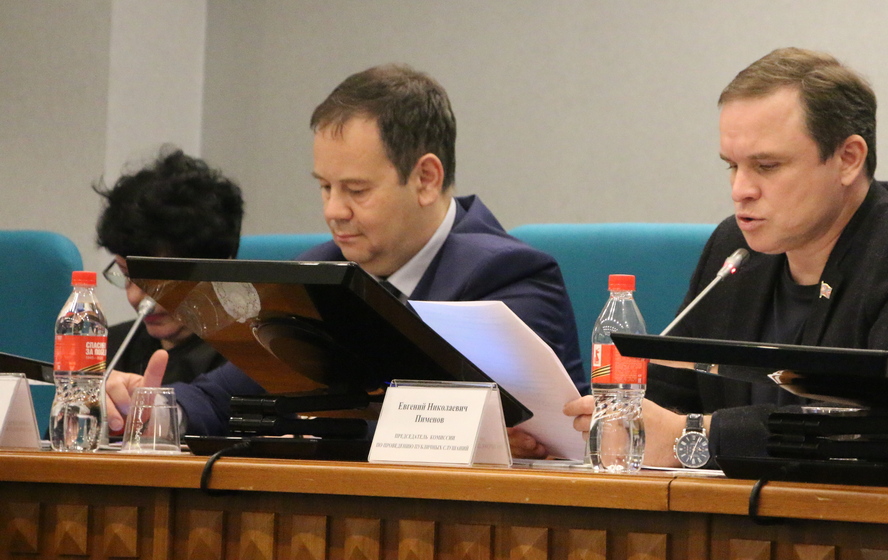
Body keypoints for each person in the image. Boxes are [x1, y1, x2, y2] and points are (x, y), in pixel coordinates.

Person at [104, 64, 585, 458]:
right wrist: (145, 408)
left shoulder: (509, 277)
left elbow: (445, 430)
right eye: (325, 187)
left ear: (425, 179)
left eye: (356, 190)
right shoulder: (316, 273)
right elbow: (218, 397)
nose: (333, 211)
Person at [565, 47, 888, 465]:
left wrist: (694, 436)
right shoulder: (735, 251)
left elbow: (886, 427)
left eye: (767, 166)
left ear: (848, 159)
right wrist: (606, 427)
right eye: (732, 165)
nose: (740, 189)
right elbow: (666, 402)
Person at [95, 148, 242, 383]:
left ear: (217, 268)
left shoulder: (248, 366)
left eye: (156, 280)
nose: (136, 297)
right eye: (127, 276)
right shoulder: (108, 351)